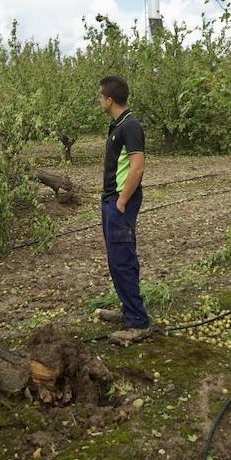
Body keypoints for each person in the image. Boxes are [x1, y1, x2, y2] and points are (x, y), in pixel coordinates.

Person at [94, 75, 151, 345]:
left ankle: (138, 323)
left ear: (109, 99)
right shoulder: (118, 125)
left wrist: (121, 200)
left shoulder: (130, 126)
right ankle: (128, 310)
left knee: (122, 259)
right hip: (112, 200)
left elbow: (137, 167)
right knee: (116, 259)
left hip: (120, 202)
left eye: (100, 96)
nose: (99, 100)